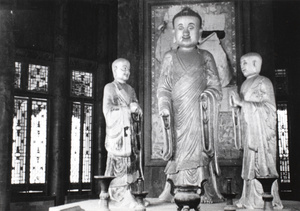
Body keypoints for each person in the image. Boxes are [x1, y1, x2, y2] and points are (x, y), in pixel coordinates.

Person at [157, 7, 223, 203]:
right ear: (174, 33)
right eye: (180, 27)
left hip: (200, 113)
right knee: (178, 149)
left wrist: (206, 97)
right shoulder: (169, 56)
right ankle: (174, 188)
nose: (185, 32)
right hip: (177, 113)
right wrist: (164, 105)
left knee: (199, 149)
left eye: (191, 27)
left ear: (200, 32)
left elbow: (215, 87)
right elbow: (163, 87)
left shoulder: (205, 56)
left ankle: (202, 189)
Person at [230, 53, 283, 209]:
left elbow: (270, 109)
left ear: (256, 64)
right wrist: (236, 107)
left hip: (261, 135)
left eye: (246, 62)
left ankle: (263, 199)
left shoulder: (263, 82)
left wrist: (244, 103)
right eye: (241, 63)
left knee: (261, 166)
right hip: (250, 133)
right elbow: (243, 111)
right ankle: (248, 198)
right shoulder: (245, 84)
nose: (242, 66)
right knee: (249, 165)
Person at [103, 58, 143, 207]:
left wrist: (136, 110)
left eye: (128, 69)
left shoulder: (130, 89)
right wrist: (127, 110)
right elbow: (107, 110)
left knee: (132, 165)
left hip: (130, 135)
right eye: (123, 69)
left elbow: (136, 107)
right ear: (114, 71)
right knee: (119, 164)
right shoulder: (110, 88)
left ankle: (130, 193)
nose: (127, 72)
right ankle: (119, 195)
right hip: (118, 135)